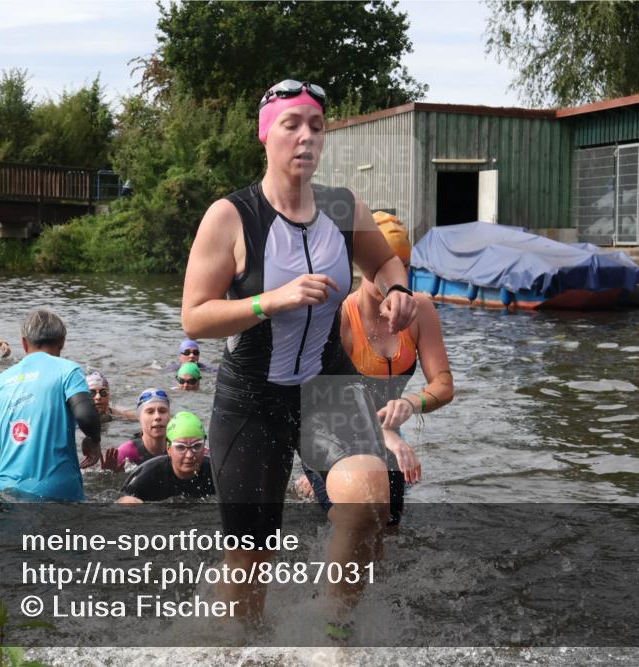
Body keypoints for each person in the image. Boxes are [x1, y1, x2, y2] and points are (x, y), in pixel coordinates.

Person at [181, 78, 417, 631]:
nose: (306, 137)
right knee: (250, 560)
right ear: (266, 136)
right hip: (251, 398)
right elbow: (195, 315)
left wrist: (398, 291)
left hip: (325, 384)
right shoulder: (230, 216)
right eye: (292, 125)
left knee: (369, 498)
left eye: (316, 126)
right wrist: (270, 300)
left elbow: (385, 266)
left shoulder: (342, 207)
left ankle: (329, 634)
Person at [298, 212, 455, 525]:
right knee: (355, 524)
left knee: (389, 531)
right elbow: (324, 399)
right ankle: (317, 486)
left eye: (403, 267)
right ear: (365, 266)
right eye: (383, 269)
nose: (392, 280)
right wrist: (389, 436)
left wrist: (411, 402)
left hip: (384, 438)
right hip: (331, 432)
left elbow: (444, 384)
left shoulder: (421, 309)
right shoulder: (341, 315)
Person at [0, 309, 101, 500]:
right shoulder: (69, 370)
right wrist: (93, 440)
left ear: (24, 343)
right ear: (62, 342)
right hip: (59, 492)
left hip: (9, 492)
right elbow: (86, 416)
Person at [116, 411, 215, 503]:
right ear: (169, 448)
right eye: (181, 447)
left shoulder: (216, 474)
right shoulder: (147, 476)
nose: (189, 455)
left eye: (196, 446)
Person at [101, 388, 172, 471]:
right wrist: (109, 475)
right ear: (139, 418)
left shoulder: (179, 447)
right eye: (150, 412)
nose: (157, 417)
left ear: (169, 417)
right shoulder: (125, 454)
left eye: (162, 411)